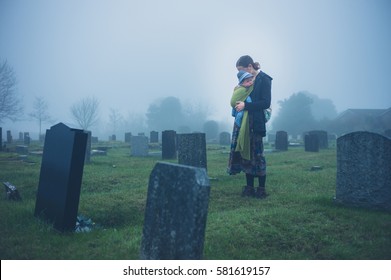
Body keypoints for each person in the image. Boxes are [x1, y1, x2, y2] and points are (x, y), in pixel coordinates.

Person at [227, 55, 272, 199]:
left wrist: (246, 105)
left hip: (256, 122)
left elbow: (265, 103)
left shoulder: (264, 79)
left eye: (241, 70)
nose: (240, 74)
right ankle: (249, 188)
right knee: (246, 154)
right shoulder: (245, 82)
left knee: (257, 155)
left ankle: (261, 189)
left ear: (250, 66)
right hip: (244, 123)